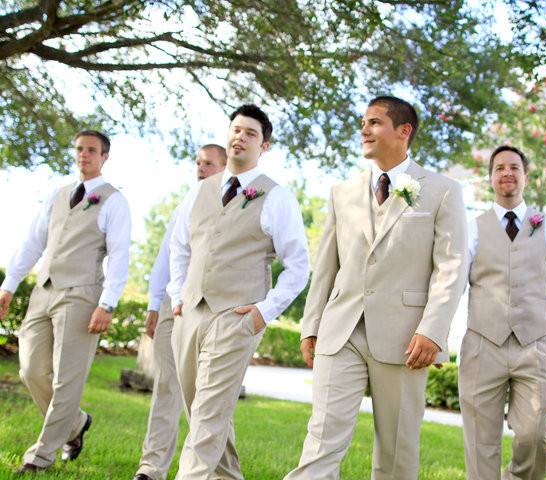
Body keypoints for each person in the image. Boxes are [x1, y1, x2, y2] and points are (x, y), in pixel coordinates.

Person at [285, 96, 467, 480]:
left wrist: (432, 330)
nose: (364, 129)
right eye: (363, 122)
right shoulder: (342, 192)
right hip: (341, 329)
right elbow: (327, 264)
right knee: (320, 441)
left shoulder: (442, 190)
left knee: (397, 451)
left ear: (404, 132)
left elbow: (450, 267)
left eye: (375, 122)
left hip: (407, 339)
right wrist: (311, 324)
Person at [168, 104, 309, 479]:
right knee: (199, 407)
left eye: (250, 133)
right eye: (236, 129)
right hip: (190, 312)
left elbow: (298, 265)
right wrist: (176, 295)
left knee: (209, 413)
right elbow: (179, 247)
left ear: (264, 146)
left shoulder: (277, 197)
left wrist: (266, 310)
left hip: (236, 316)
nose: (240, 137)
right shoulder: (199, 191)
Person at [0, 130, 131, 474]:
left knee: (66, 380)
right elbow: (32, 242)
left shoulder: (114, 201)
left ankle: (39, 457)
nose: (83, 155)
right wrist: (9, 285)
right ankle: (76, 425)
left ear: (104, 157)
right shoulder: (58, 196)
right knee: (30, 370)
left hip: (83, 294)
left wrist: (108, 303)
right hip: (44, 291)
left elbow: (119, 256)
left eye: (91, 150)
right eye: (79, 149)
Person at [459, 145, 546, 480]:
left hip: (534, 344)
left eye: (514, 167)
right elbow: (453, 285)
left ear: (525, 176)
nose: (507, 173)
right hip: (483, 343)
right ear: (490, 178)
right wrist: (434, 335)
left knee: (535, 434)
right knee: (480, 440)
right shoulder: (473, 227)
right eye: (499, 168)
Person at [133, 144, 227, 480]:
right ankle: (151, 467)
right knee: (167, 387)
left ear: (226, 167)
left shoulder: (238, 205)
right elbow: (166, 257)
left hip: (216, 310)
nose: (201, 169)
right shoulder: (186, 204)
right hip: (174, 306)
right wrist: (154, 303)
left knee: (211, 394)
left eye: (209, 164)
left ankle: (214, 469)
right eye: (198, 163)